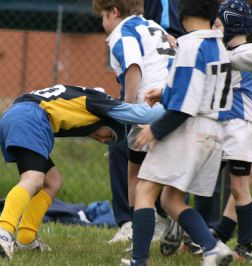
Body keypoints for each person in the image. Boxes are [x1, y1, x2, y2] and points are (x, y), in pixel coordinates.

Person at [0, 84, 165, 259]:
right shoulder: (102, 104)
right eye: (109, 135)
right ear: (108, 120)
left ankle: (26, 238)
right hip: (31, 117)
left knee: (52, 182)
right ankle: (4, 229)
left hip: (16, 115)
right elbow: (140, 113)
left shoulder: (83, 102)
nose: (104, 141)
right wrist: (178, 106)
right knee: (34, 178)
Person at [121, 0, 235, 265]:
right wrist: (164, 92)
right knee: (171, 199)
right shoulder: (218, 47)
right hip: (214, 133)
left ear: (182, 14)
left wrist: (156, 130)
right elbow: (199, 89)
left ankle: (139, 261)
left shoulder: (189, 46)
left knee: (145, 190)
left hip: (189, 129)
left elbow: (186, 105)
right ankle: (212, 248)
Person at [92, 0, 174, 244]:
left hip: (149, 106)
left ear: (115, 12)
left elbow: (133, 65)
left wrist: (127, 109)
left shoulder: (122, 33)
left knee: (134, 176)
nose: (103, 23)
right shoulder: (154, 26)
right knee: (164, 174)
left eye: (103, 16)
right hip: (175, 105)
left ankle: (136, 226)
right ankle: (168, 221)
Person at [210, 9, 252, 263]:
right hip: (233, 129)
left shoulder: (246, 55)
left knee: (239, 185)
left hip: (243, 130)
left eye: (218, 24)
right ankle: (213, 236)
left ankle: (241, 246)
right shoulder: (245, 55)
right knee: (236, 185)